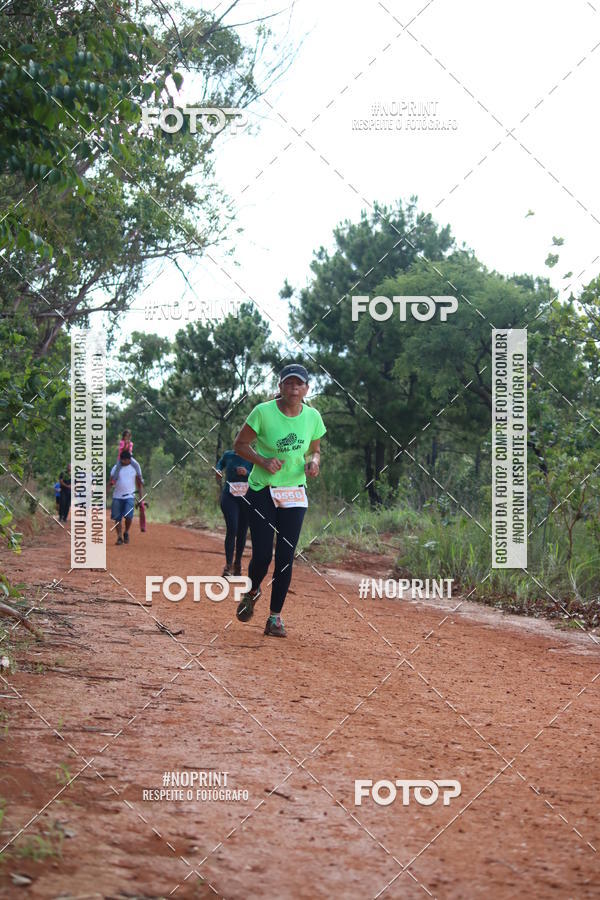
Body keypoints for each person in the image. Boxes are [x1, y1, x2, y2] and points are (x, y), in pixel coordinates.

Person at [233, 363, 326, 638]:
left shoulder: (313, 417)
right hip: (262, 490)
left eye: (299, 384)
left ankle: (275, 618)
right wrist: (262, 460)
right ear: (280, 387)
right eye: (288, 383)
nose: (293, 388)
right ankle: (252, 591)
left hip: (294, 492)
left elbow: (315, 450)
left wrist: (314, 463)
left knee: (286, 556)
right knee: (263, 554)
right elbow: (240, 445)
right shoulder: (263, 412)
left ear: (307, 389)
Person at [215, 449, 252, 576]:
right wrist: (218, 471)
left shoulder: (253, 457)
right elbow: (220, 464)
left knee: (242, 532)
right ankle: (228, 565)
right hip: (230, 496)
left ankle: (238, 564)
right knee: (232, 528)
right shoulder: (228, 455)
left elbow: (260, 474)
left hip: (247, 498)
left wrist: (247, 473)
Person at [109, 449, 143, 545]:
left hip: (130, 496)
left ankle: (126, 532)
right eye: (122, 460)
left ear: (129, 460)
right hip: (117, 496)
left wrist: (141, 499)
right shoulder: (116, 468)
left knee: (128, 516)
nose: (123, 462)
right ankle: (119, 537)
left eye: (125, 460)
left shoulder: (134, 468)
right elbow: (110, 482)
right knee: (117, 518)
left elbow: (139, 484)